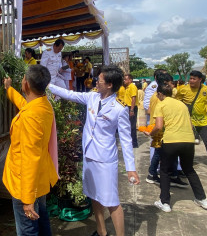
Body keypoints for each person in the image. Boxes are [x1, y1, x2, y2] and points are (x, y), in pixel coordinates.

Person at [48, 65, 140, 236]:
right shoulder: (92, 98)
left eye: (101, 79)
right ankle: (101, 231)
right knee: (94, 196)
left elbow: (126, 141)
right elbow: (71, 94)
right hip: (89, 156)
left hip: (105, 161)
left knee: (112, 201)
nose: (97, 81)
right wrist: (48, 85)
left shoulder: (119, 109)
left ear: (110, 84)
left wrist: (131, 169)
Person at [2, 65, 58, 235]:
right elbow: (24, 104)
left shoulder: (30, 117)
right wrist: (9, 89)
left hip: (25, 183)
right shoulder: (43, 105)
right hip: (39, 178)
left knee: (27, 230)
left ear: (25, 84)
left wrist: (27, 200)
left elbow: (29, 158)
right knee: (41, 221)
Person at [144, 82, 207, 213]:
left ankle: (165, 202)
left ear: (160, 94)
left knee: (164, 171)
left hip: (171, 141)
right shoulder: (182, 105)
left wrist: (149, 133)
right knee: (189, 170)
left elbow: (158, 126)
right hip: (188, 141)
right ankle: (202, 199)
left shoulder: (161, 104)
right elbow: (190, 125)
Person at [123, 74, 139, 148]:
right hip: (127, 107)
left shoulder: (132, 86)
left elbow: (133, 98)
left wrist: (132, 110)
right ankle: (129, 142)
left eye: (126, 79)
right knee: (127, 125)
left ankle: (134, 143)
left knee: (132, 126)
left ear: (130, 80)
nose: (124, 81)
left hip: (131, 107)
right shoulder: (126, 87)